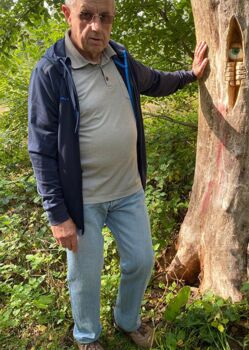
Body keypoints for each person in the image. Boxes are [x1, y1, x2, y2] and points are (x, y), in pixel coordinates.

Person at [27, 0, 208, 348]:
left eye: (104, 17)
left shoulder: (120, 58)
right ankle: (87, 336)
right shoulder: (52, 71)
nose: (96, 26)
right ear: (68, 14)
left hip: (128, 190)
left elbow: (155, 81)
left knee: (141, 261)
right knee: (85, 276)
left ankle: (127, 319)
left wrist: (191, 75)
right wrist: (57, 214)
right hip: (83, 200)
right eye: (86, 15)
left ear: (112, 20)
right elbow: (41, 148)